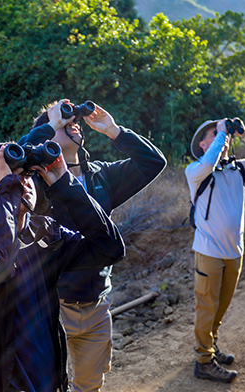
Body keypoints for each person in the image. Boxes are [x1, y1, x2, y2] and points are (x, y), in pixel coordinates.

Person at [0, 100, 126, 392]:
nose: (22, 181)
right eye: (7, 175)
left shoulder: (46, 234)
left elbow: (110, 249)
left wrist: (65, 184)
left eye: (25, 174)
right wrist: (49, 128)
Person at [19, 99, 166, 391]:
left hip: (96, 304)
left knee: (89, 386)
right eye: (63, 123)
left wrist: (114, 130)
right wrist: (50, 124)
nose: (72, 123)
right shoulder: (34, 182)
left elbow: (153, 162)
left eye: (73, 121)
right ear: (47, 135)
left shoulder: (102, 176)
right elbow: (12, 161)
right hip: (50, 307)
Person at [186, 118, 245, 382]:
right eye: (214, 134)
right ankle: (203, 361)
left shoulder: (239, 169)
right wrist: (222, 133)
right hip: (208, 252)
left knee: (221, 307)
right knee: (207, 307)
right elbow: (208, 162)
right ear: (204, 144)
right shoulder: (196, 170)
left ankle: (209, 347)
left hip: (234, 251)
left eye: (222, 133)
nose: (222, 136)